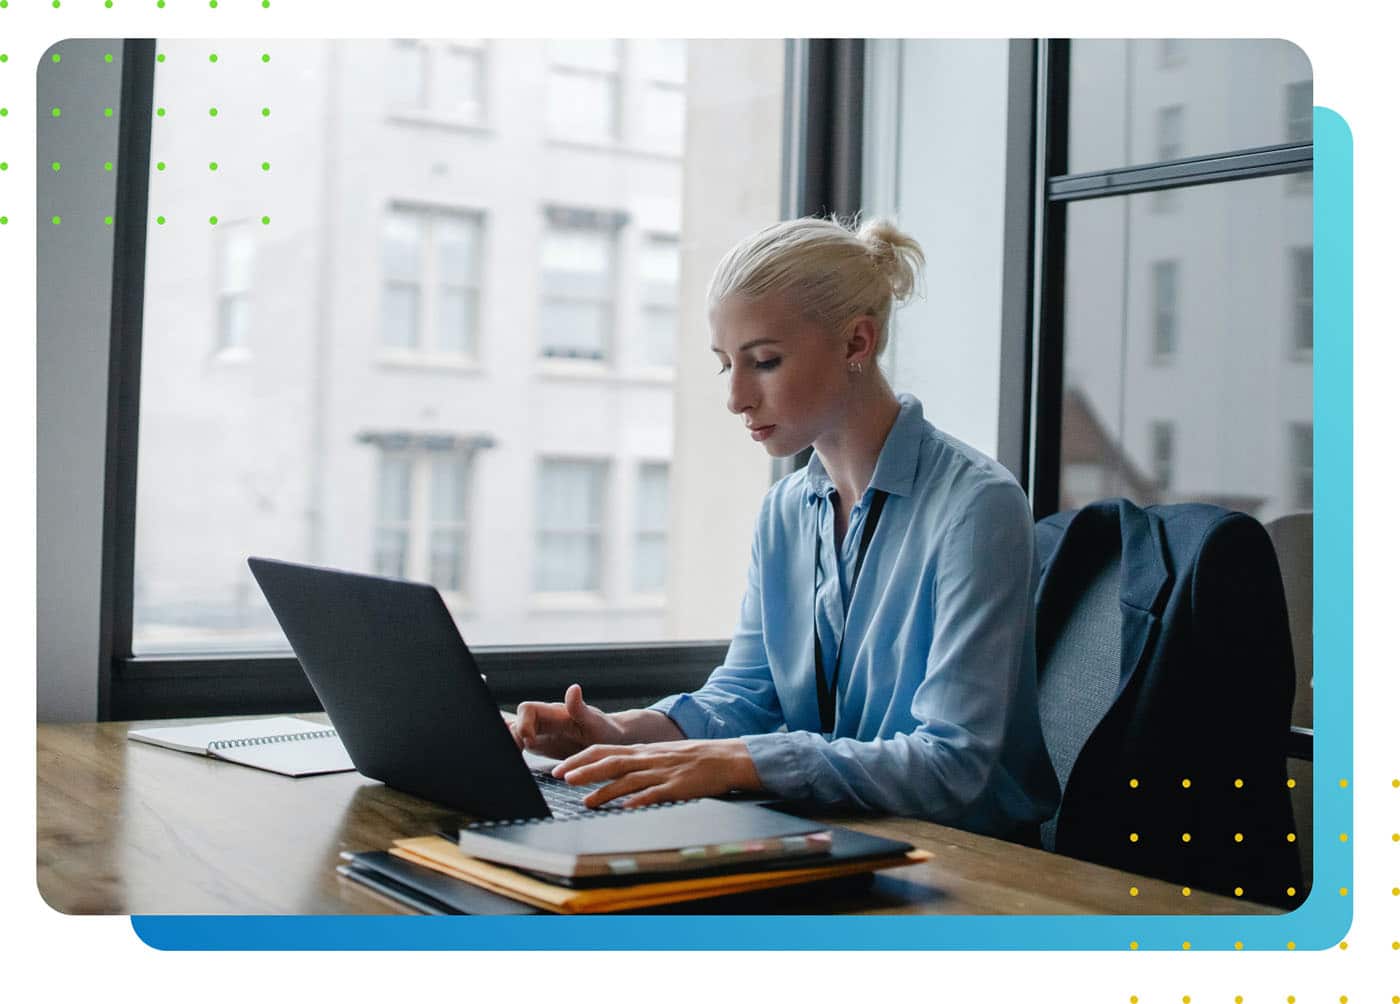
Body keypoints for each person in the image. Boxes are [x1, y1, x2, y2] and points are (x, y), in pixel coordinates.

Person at [511, 214, 1059, 842]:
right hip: (832, 835)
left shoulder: (976, 506)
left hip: (971, 863)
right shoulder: (785, 511)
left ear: (857, 344)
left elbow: (952, 765)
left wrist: (740, 762)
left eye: (764, 362)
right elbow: (748, 696)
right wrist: (624, 733)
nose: (737, 398)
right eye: (726, 366)